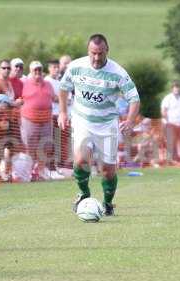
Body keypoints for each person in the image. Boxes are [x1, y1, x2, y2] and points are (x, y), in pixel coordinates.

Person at [58, 33, 140, 216]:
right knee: (80, 161)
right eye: (93, 53)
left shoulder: (117, 73)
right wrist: (63, 112)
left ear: (106, 51)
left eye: (100, 54)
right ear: (88, 51)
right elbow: (63, 88)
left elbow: (134, 99)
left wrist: (130, 120)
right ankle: (84, 194)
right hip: (82, 121)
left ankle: (108, 203)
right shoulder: (76, 67)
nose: (96, 58)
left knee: (108, 171)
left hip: (106, 125)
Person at [21, 61, 55, 180]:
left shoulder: (48, 84)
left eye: (39, 69)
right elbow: (18, 98)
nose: (37, 72)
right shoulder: (25, 83)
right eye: (35, 70)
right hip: (30, 120)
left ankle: (40, 171)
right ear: (31, 71)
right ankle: (29, 172)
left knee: (45, 147)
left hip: (46, 120)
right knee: (30, 146)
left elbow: (53, 97)